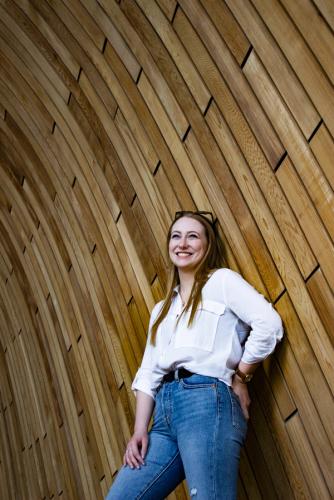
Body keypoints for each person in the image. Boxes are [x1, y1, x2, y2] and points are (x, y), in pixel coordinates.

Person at [106, 211, 283, 500]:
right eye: (176, 236)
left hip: (207, 401)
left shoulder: (222, 282)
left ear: (207, 246)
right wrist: (140, 431)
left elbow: (269, 324)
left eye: (193, 236)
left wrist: (241, 376)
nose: (183, 243)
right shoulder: (160, 310)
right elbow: (149, 373)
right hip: (163, 416)